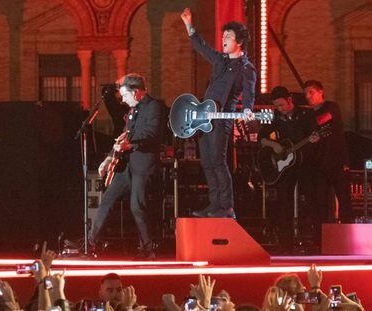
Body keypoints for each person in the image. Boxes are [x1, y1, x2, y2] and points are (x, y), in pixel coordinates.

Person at [180, 8, 256, 218]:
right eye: (223, 36)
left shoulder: (246, 68)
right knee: (207, 162)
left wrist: (248, 109)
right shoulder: (220, 60)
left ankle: (227, 206)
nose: (224, 39)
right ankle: (215, 205)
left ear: (239, 41)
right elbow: (201, 47)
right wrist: (188, 24)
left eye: (228, 37)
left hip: (222, 119)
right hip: (205, 118)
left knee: (218, 161)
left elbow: (250, 92)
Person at [91, 73, 167, 259]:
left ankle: (148, 249)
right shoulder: (133, 111)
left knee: (137, 206)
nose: (123, 100)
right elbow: (124, 135)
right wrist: (109, 158)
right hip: (127, 165)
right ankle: (90, 243)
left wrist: (130, 144)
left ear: (136, 92)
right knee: (107, 199)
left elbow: (152, 134)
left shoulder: (155, 107)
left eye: (125, 95)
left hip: (144, 165)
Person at [259, 86, 318, 253]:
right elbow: (262, 138)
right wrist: (274, 145)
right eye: (276, 106)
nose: (280, 109)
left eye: (282, 105)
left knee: (310, 199)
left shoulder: (305, 115)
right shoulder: (275, 117)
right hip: (285, 167)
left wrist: (313, 140)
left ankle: (313, 240)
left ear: (290, 100)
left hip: (305, 163)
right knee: (284, 202)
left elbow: (314, 134)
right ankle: (285, 243)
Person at [303, 80, 353, 246]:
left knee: (344, 201)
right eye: (306, 93)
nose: (308, 96)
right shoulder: (308, 116)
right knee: (320, 204)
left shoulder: (332, 106)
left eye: (311, 92)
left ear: (320, 92)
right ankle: (322, 240)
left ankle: (348, 238)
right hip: (318, 165)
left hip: (337, 162)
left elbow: (324, 119)